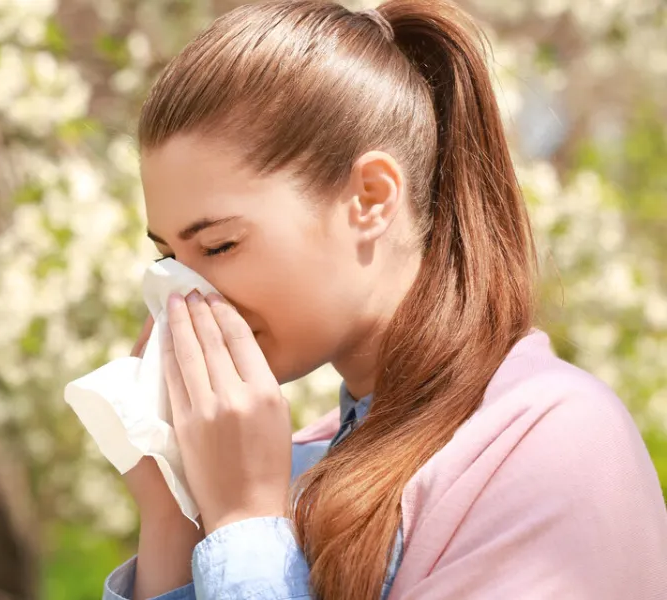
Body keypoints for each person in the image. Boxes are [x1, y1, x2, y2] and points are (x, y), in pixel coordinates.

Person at [97, 1, 667, 599]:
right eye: (167, 260)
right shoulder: (292, 466)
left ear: (370, 198)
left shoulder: (548, 444)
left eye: (219, 245)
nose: (186, 296)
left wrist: (244, 524)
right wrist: (175, 512)